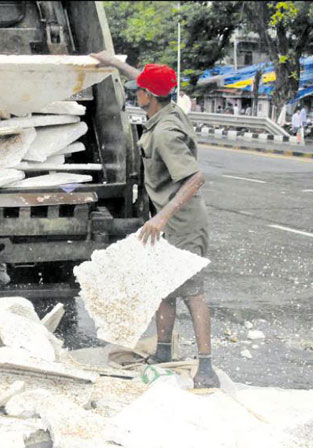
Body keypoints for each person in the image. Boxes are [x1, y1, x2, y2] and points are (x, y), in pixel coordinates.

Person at [91, 51, 219, 389]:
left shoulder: (165, 133)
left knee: (192, 293)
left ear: (148, 95)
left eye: (140, 89)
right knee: (162, 288)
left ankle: (206, 367)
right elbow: (143, 77)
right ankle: (163, 352)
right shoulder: (169, 107)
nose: (136, 92)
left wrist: (161, 218)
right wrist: (114, 62)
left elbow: (195, 179)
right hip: (166, 221)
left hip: (182, 223)